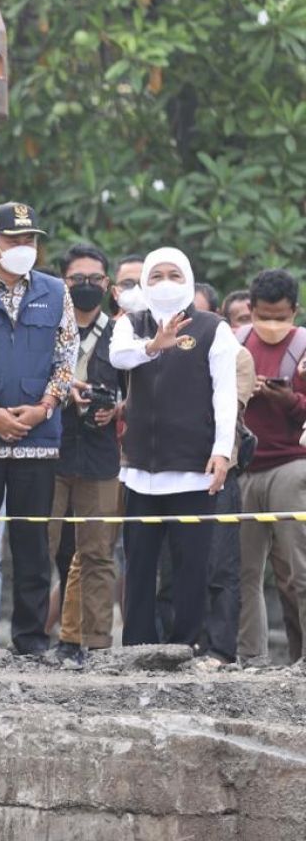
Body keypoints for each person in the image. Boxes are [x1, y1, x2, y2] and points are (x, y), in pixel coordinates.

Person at [0, 202, 78, 655]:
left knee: (31, 544)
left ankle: (30, 639)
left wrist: (45, 407)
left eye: (31, 240)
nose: (25, 248)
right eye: (14, 240)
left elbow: (67, 356)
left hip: (37, 439)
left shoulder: (55, 290)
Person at [109, 247, 238, 647]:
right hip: (140, 472)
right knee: (140, 566)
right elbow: (117, 357)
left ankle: (187, 644)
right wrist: (154, 346)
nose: (165, 283)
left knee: (191, 568)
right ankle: (137, 646)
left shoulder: (212, 327)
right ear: (145, 282)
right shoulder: (131, 323)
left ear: (188, 279)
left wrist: (222, 450)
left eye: (175, 275)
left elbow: (225, 393)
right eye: (157, 275)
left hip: (192, 469)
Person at [48, 243, 123, 665]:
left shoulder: (122, 333)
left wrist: (115, 409)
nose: (87, 286)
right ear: (63, 283)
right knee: (42, 545)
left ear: (108, 285)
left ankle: (91, 643)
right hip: (49, 449)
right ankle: (33, 636)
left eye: (96, 279)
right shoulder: (47, 328)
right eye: (78, 280)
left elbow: (137, 394)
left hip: (99, 454)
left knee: (96, 551)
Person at [235, 268, 306, 665]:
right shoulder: (238, 342)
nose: (273, 325)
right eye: (265, 315)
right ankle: (252, 657)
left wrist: (286, 398)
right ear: (251, 309)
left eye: (281, 316)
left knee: (300, 570)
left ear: (294, 311)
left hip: (293, 465)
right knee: (245, 573)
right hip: (247, 467)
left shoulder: (304, 345)